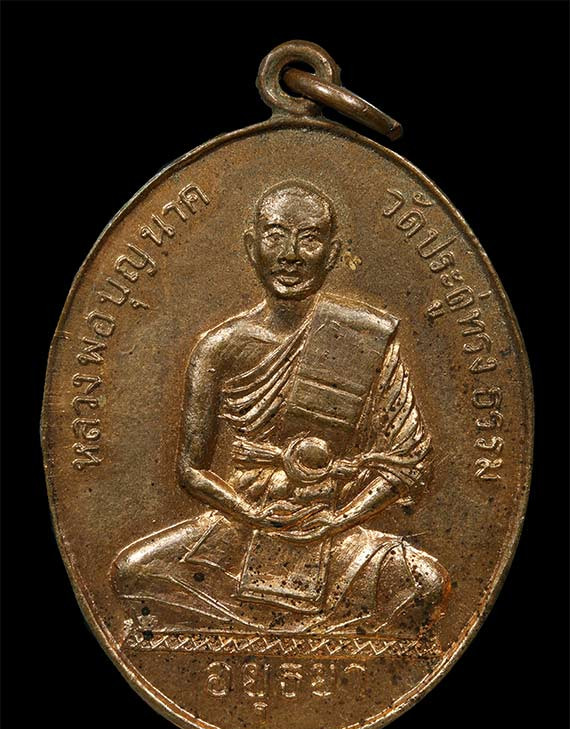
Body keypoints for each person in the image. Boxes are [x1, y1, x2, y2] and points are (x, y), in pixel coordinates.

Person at [112, 180, 450, 637]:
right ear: (252, 248)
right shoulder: (219, 347)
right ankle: (312, 629)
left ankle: (265, 626)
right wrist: (250, 515)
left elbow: (407, 461)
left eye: (309, 239)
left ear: (332, 254)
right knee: (132, 573)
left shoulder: (363, 335)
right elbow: (191, 471)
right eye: (275, 236)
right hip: (240, 525)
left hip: (334, 525)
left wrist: (338, 520)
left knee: (427, 585)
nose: (290, 255)